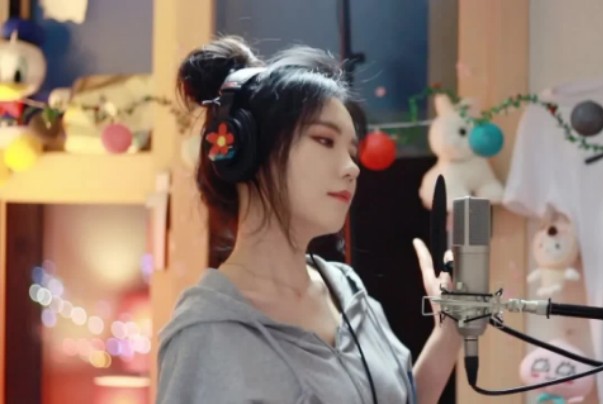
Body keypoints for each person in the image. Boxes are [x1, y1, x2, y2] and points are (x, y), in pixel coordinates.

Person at [156, 35, 462, 404]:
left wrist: (450, 333)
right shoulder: (205, 334)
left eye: (352, 152)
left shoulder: (348, 291)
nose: (352, 168)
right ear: (253, 151)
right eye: (324, 140)